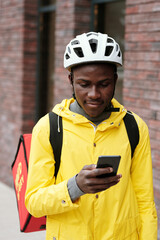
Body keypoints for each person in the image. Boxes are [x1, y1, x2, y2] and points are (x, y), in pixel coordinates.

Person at [25, 32, 157, 240]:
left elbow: (145, 200)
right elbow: (34, 203)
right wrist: (75, 187)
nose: (94, 94)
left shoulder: (135, 127)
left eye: (103, 84)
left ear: (115, 80)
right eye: (84, 84)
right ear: (71, 80)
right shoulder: (48, 128)